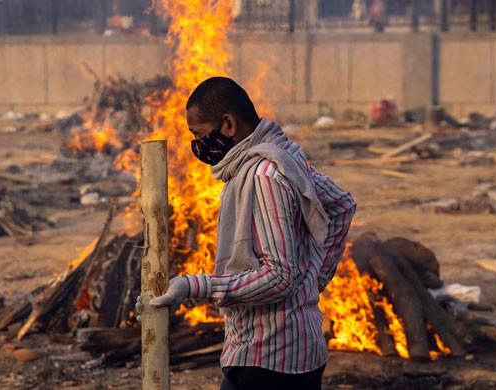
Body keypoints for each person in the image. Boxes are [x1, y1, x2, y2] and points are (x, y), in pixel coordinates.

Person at [149, 77, 356, 390]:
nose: (199, 146)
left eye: (200, 134)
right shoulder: (283, 155)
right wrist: (314, 276)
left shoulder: (263, 175)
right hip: (297, 351)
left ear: (229, 125)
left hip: (269, 357)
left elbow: (279, 277)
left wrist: (195, 285)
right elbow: (342, 204)